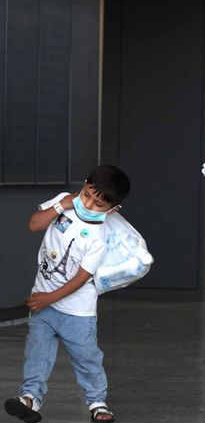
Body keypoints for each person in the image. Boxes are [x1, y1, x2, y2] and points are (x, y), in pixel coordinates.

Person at [4, 164, 131, 423]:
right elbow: (34, 224)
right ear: (83, 185)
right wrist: (62, 205)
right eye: (86, 195)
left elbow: (82, 278)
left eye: (98, 204)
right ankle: (30, 398)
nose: (89, 204)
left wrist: (48, 298)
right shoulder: (63, 204)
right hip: (42, 304)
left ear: (113, 209)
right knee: (37, 353)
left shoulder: (99, 236)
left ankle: (97, 401)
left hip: (77, 312)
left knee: (86, 357)